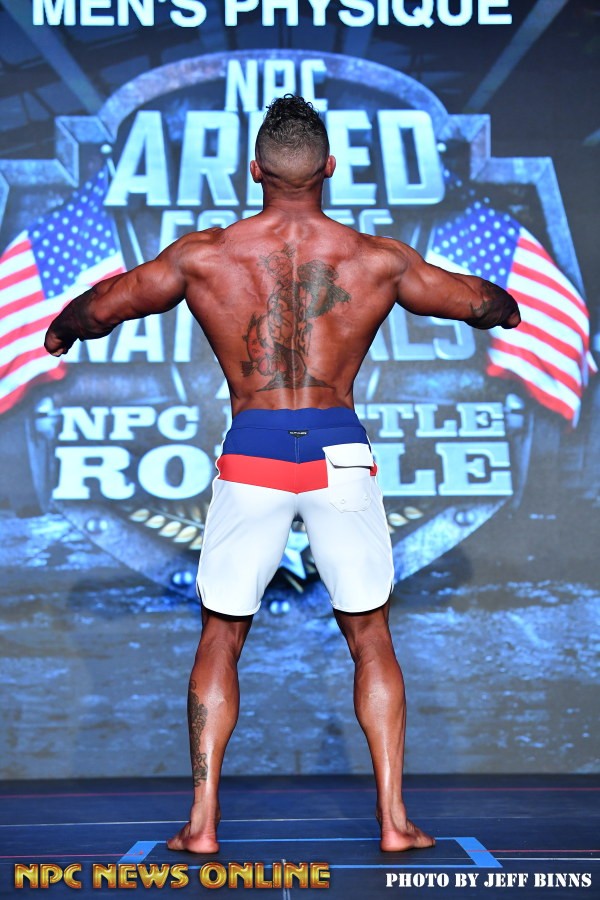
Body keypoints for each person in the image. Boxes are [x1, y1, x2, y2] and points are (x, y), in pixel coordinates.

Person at [45, 95, 520, 854]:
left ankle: (202, 825)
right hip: (338, 453)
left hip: (255, 452)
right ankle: (394, 822)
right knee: (370, 636)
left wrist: (62, 329)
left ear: (255, 171)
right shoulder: (378, 260)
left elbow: (105, 306)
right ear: (328, 168)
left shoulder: (204, 256)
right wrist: (506, 308)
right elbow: (476, 302)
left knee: (221, 636)